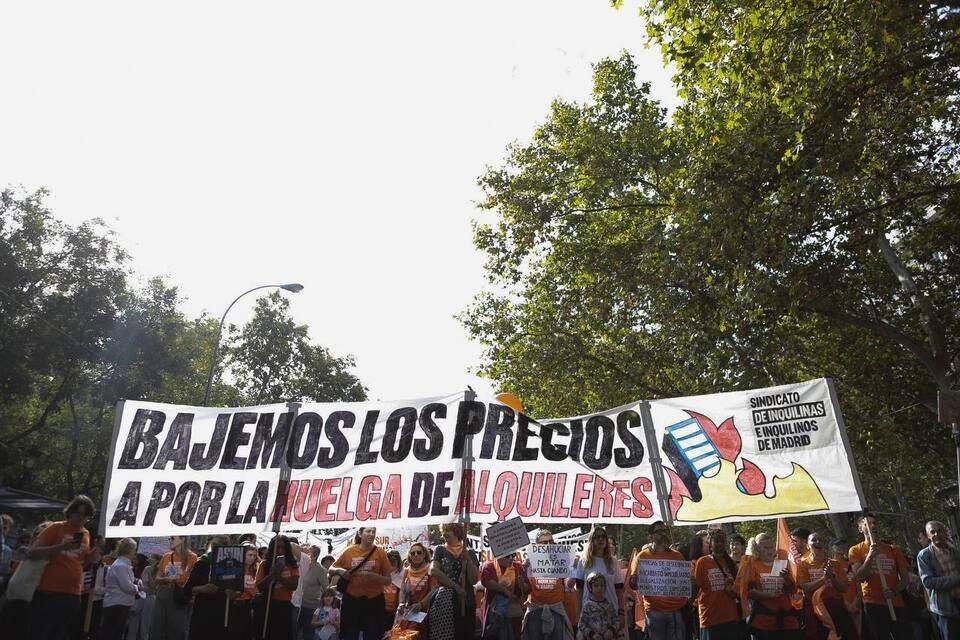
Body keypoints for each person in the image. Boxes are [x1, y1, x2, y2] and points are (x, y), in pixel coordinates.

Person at [27, 494, 100, 640]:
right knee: (40, 633)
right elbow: (32, 553)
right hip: (48, 591)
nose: (81, 518)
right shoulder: (56, 528)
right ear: (70, 512)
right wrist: (61, 547)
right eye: (78, 513)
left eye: (86, 515)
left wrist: (95, 552)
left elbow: (82, 562)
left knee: (59, 633)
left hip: (72, 593)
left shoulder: (86, 534)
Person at [848, 512, 911, 640]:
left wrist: (894, 591)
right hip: (873, 603)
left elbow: (905, 579)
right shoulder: (855, 550)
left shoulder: (893, 549)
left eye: (874, 523)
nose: (873, 526)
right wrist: (870, 557)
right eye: (868, 524)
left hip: (895, 602)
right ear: (861, 529)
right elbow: (859, 576)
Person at [734, 531, 799, 640]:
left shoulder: (782, 563)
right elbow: (745, 591)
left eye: (771, 547)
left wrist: (786, 578)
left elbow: (792, 590)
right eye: (765, 548)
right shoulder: (751, 564)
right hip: (762, 621)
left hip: (786, 620)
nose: (770, 550)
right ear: (757, 548)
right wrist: (767, 595)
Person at [329, 527, 391, 640]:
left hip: (374, 601)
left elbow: (388, 580)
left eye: (373, 532)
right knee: (349, 635)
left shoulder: (380, 552)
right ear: (360, 533)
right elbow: (331, 568)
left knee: (373, 635)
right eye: (368, 531)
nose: (371, 534)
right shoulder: (349, 551)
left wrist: (376, 577)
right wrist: (340, 571)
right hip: (352, 601)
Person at [630, 521, 686, 640]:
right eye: (659, 531)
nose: (663, 534)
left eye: (664, 531)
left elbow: (684, 582)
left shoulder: (678, 556)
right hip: (654, 611)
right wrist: (635, 579)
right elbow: (633, 585)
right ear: (651, 536)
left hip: (675, 610)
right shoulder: (642, 556)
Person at [797, 531, 857, 640]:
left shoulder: (835, 564)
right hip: (816, 609)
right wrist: (823, 579)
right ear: (807, 545)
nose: (818, 542)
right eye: (814, 540)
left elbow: (843, 588)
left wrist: (832, 578)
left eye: (821, 540)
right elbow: (805, 587)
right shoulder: (803, 564)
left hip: (836, 608)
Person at [0, 520, 52, 640]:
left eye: (43, 535)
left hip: (30, 607)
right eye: (36, 535)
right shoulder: (24, 556)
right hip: (10, 603)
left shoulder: (51, 559)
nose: (38, 539)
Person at [429, 522, 480, 640]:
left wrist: (468, 560)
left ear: (456, 532)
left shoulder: (469, 552)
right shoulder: (440, 550)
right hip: (446, 602)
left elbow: (473, 580)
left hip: (466, 601)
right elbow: (434, 571)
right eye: (443, 530)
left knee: (466, 634)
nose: (444, 534)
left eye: (448, 530)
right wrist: (455, 587)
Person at [523, 530, 574, 640]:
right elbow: (524, 589)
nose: (548, 545)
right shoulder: (529, 564)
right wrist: (522, 570)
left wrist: (574, 569)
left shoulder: (562, 560)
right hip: (535, 611)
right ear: (537, 546)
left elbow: (568, 585)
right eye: (544, 542)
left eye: (551, 541)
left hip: (556, 609)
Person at [692, 529, 742, 640]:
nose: (720, 544)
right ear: (710, 543)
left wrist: (732, 589)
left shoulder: (731, 564)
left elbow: (740, 591)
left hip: (730, 618)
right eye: (717, 541)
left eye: (722, 541)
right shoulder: (702, 562)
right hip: (710, 618)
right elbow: (695, 589)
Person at [183, 535, 232, 640]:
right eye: (214, 545)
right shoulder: (202, 563)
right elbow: (187, 590)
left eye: (220, 546)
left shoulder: (231, 565)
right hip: (202, 614)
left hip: (222, 615)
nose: (216, 549)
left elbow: (236, 592)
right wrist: (202, 588)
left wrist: (232, 592)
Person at [917, 520, 960, 640]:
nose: (936, 534)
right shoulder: (924, 556)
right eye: (932, 532)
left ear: (945, 532)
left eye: (939, 530)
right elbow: (928, 581)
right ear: (928, 536)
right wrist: (955, 580)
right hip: (944, 608)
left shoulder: (955, 551)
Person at [254, 535, 300, 640]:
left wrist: (279, 576)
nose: (280, 550)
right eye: (277, 548)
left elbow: (294, 586)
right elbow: (260, 586)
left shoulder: (292, 565)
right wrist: (271, 575)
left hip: (284, 606)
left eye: (283, 548)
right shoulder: (265, 564)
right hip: (267, 605)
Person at [150, 535, 196, 640]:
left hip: (179, 597)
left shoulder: (192, 558)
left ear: (183, 539)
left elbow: (193, 580)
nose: (169, 540)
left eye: (172, 538)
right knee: (157, 628)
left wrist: (179, 580)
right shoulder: (166, 556)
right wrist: (168, 579)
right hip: (163, 594)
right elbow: (157, 578)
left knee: (176, 630)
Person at [574, 527, 623, 621]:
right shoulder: (584, 561)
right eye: (597, 537)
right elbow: (579, 590)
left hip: (611, 612)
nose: (600, 539)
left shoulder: (613, 561)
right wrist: (578, 611)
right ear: (591, 540)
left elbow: (619, 589)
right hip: (589, 613)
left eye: (603, 536)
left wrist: (621, 611)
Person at [480, 552, 528, 640]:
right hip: (495, 613)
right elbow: (486, 582)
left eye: (512, 555)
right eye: (507, 556)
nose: (510, 558)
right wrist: (505, 591)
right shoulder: (489, 565)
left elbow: (526, 588)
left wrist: (522, 585)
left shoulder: (517, 567)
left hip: (513, 612)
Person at [99, 538, 139, 640]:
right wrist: (138, 587)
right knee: (112, 634)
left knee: (115, 633)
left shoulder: (123, 564)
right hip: (117, 605)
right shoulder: (121, 565)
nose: (135, 552)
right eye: (134, 549)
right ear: (129, 550)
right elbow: (127, 587)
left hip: (119, 604)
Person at [292, 543, 329, 640]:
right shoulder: (299, 564)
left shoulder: (320, 570)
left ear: (315, 555)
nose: (302, 554)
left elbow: (326, 588)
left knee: (307, 633)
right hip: (297, 604)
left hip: (311, 606)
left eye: (307, 552)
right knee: (294, 631)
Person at [226, 543, 258, 639]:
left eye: (254, 556)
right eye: (250, 555)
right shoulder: (236, 569)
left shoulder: (254, 570)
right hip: (237, 604)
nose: (252, 558)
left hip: (249, 605)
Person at [577, 572, 621, 640]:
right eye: (596, 585)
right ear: (590, 588)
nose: (599, 588)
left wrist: (611, 630)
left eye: (602, 585)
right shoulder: (587, 606)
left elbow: (617, 621)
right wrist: (592, 634)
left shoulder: (609, 605)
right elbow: (581, 624)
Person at [384, 549, 403, 630]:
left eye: (395, 558)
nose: (392, 560)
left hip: (395, 613)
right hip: (379, 612)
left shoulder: (404, 574)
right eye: (389, 558)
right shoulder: (380, 573)